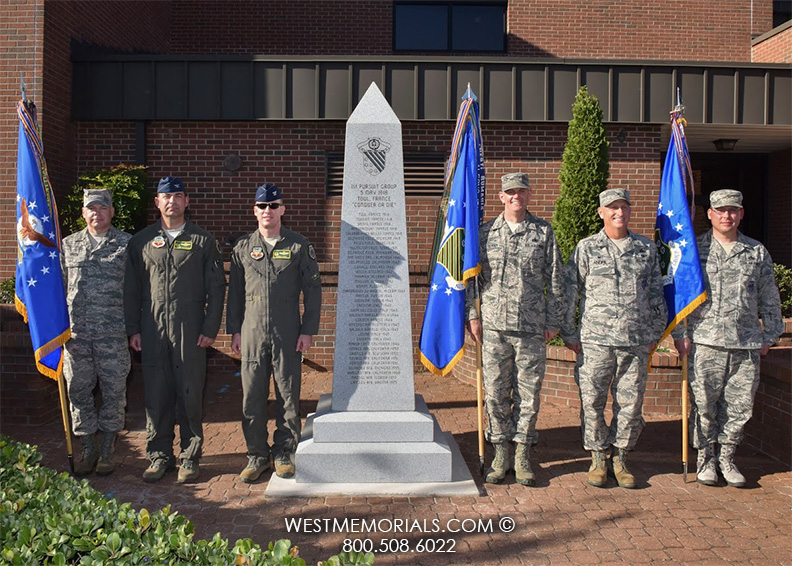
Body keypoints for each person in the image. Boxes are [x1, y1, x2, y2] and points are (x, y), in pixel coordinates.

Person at [673, 189, 782, 488]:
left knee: (740, 408)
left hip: (745, 345)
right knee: (705, 406)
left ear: (741, 214)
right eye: (720, 210)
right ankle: (705, 460)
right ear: (710, 214)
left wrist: (769, 336)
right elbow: (681, 297)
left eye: (733, 210)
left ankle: (728, 458)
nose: (727, 216)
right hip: (704, 342)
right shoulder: (694, 251)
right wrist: (680, 335)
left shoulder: (756, 252)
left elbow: (769, 297)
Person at [561, 188, 666, 489]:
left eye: (624, 207)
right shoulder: (587, 248)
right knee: (592, 401)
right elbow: (571, 292)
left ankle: (619, 456)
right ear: (601, 212)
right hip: (595, 341)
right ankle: (597, 456)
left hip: (635, 341)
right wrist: (570, 333)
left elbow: (657, 294)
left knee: (630, 403)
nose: (619, 213)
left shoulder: (646, 249)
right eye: (612, 208)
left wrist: (654, 334)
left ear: (630, 211)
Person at [124, 176, 226, 483]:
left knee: (190, 394)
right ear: (157, 202)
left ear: (186, 201)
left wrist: (210, 327)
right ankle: (159, 456)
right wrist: (133, 329)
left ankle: (189, 457)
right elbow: (130, 290)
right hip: (152, 329)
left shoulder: (203, 241)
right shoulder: (140, 241)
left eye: (178, 195)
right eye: (166, 196)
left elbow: (217, 288)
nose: (172, 201)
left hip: (190, 330)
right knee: (156, 395)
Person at [466, 172, 564, 486]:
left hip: (531, 327)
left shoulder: (544, 232)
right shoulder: (485, 233)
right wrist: (472, 315)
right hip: (494, 326)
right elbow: (473, 281)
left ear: (529, 195)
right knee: (494, 393)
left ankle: (522, 453)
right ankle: (500, 453)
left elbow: (557, 280)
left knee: (529, 396)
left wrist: (553, 321)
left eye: (521, 192)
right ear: (501, 196)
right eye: (510, 192)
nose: (515, 197)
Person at [227, 183, 321, 482]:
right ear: (254, 210)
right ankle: (256, 456)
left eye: (273, 205)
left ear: (282, 209)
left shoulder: (298, 245)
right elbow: (236, 295)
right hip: (251, 332)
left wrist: (308, 330)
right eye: (262, 206)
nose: (267, 211)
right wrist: (235, 331)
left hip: (288, 331)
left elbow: (313, 291)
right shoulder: (242, 248)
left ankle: (284, 453)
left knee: (287, 395)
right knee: (252, 397)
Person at [62, 188, 132, 476]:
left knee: (114, 392)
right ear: (83, 212)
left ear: (111, 211)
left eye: (102, 207)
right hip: (76, 337)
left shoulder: (127, 245)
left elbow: (137, 290)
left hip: (113, 335)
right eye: (91, 208)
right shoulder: (67, 246)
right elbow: (58, 289)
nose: (97, 213)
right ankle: (88, 447)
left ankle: (107, 450)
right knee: (78, 391)